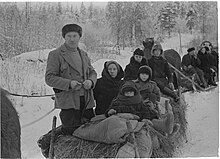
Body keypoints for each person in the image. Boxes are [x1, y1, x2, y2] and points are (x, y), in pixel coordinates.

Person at [45, 23, 97, 135]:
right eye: (69, 36)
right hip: (69, 102)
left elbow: (92, 72)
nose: (72, 39)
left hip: (86, 100)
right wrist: (69, 83)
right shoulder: (56, 54)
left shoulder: (83, 54)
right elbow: (49, 78)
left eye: (75, 36)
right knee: (70, 134)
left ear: (79, 37)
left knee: (90, 132)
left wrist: (91, 81)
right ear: (64, 37)